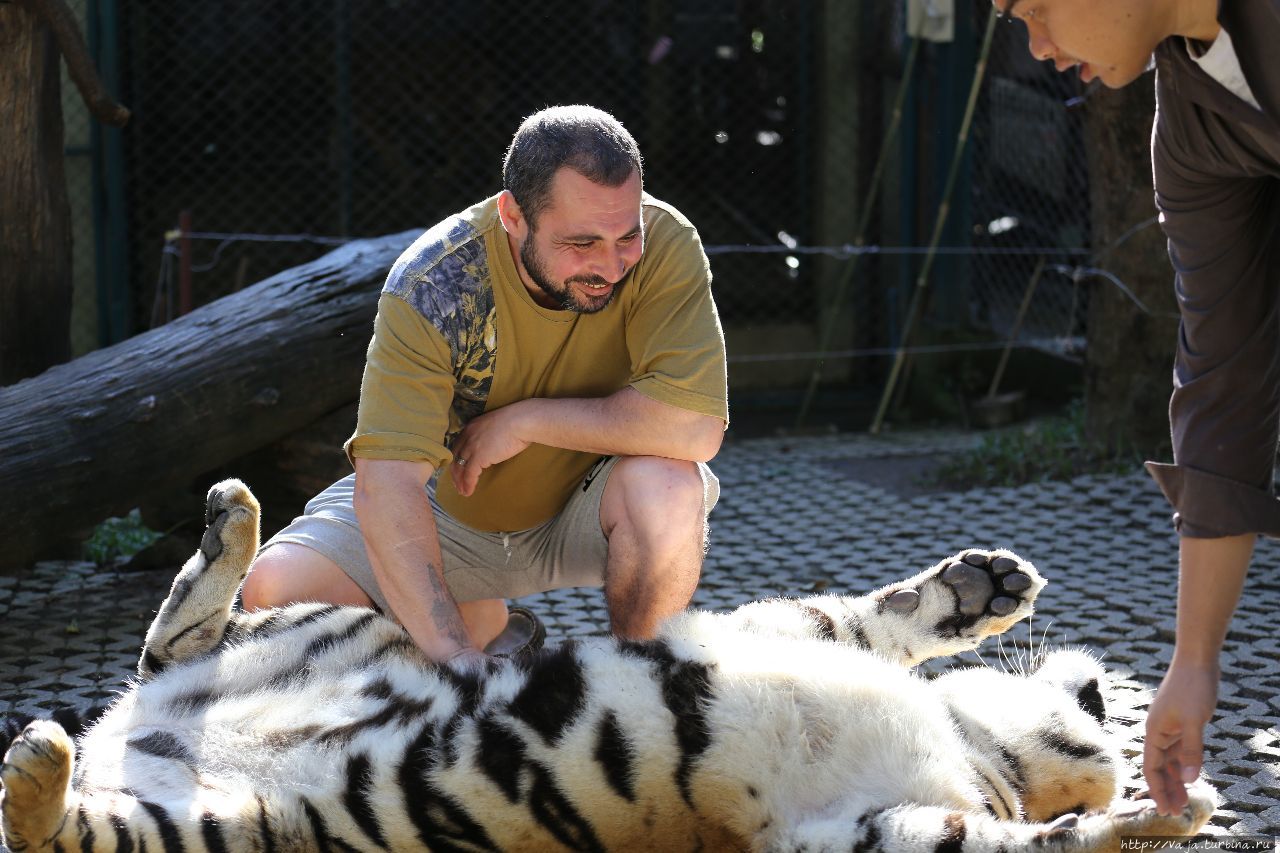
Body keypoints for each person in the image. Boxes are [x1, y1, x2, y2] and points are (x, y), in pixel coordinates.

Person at [241, 105, 728, 673]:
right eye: (580, 243)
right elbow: (389, 481)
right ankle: (481, 630)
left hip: (585, 505)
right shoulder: (433, 281)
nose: (613, 265)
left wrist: (526, 420)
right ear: (512, 216)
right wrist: (454, 656)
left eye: (626, 236)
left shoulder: (668, 243)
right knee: (276, 589)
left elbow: (695, 426)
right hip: (448, 517)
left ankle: (642, 681)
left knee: (670, 486)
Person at [994, 0, 1279, 819]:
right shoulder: (1190, 127)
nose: (1038, 46)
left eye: (1034, 8)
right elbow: (1226, 385)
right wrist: (1194, 662)